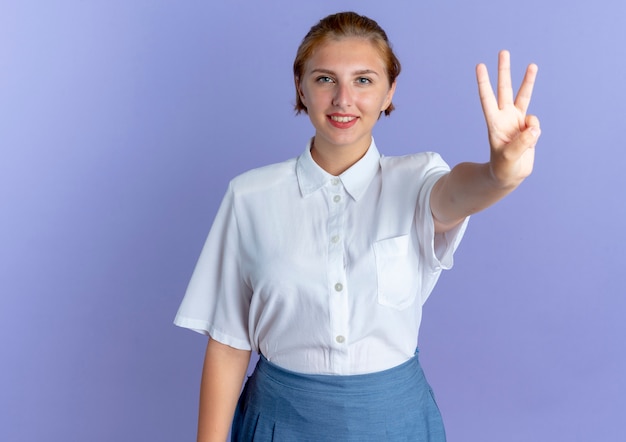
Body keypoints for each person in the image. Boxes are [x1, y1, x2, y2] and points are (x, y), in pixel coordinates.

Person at [174, 11, 540, 442]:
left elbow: (457, 194)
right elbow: (228, 341)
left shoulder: (417, 179)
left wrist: (499, 173)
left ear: (390, 91)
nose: (343, 98)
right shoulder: (249, 196)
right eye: (326, 79)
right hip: (278, 421)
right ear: (301, 88)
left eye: (363, 80)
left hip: (396, 422)